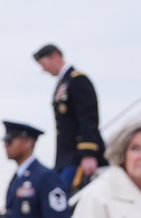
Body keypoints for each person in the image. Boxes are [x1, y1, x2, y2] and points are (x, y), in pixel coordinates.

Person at [33, 44, 106, 190]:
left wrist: (88, 154)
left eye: (44, 64)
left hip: (77, 157)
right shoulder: (64, 83)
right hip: (65, 157)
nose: (43, 70)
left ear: (55, 56)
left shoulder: (77, 80)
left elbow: (88, 117)